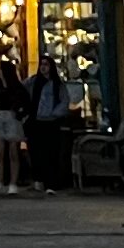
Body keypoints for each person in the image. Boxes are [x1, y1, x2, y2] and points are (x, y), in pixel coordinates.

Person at [28, 60, 77, 191]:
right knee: (36, 152)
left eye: (46, 65)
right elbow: (22, 92)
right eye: (41, 65)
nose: (43, 67)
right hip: (35, 122)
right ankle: (38, 179)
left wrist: (53, 114)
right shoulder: (33, 82)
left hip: (50, 123)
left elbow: (64, 101)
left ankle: (51, 182)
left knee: (51, 152)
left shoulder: (57, 84)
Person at [0, 61, 28, 195]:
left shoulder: (16, 86)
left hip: (12, 116)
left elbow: (25, 101)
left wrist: (20, 113)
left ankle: (13, 183)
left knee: (13, 152)